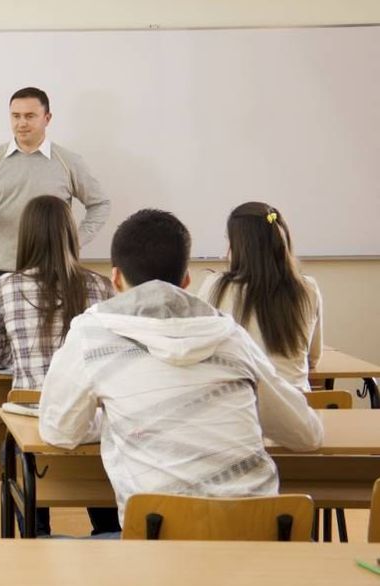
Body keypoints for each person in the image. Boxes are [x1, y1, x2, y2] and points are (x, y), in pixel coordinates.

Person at [38, 208, 323, 530]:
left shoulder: (92, 334)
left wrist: (115, 420)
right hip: (262, 536)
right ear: (186, 280)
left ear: (115, 278)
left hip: (158, 544)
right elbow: (307, 435)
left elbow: (59, 432)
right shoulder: (231, 336)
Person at [0, 87, 111, 460]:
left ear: (47, 119)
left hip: (56, 276)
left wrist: (74, 241)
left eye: (29, 116)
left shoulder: (67, 162)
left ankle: (40, 433)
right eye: (15, 116)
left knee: (55, 357)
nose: (21, 123)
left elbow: (100, 204)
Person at [0, 195, 119, 536]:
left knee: (10, 450)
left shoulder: (7, 287)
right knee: (99, 468)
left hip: (35, 425)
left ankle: (35, 540)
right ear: (71, 235)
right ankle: (109, 538)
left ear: (25, 237)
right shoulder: (101, 286)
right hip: (96, 426)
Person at [197, 202, 322, 391]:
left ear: (239, 246)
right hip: (297, 410)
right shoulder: (308, 289)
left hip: (240, 408)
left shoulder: (215, 286)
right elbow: (313, 358)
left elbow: (200, 350)